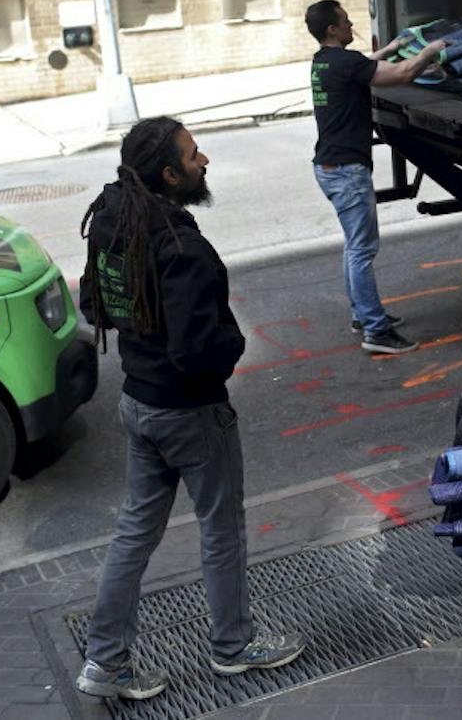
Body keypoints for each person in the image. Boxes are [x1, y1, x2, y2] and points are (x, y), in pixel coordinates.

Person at [74, 117, 303, 702]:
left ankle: (105, 661)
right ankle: (233, 647)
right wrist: (234, 346)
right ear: (169, 175)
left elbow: (93, 304)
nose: (206, 162)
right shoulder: (182, 247)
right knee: (221, 530)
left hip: (137, 403)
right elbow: (199, 351)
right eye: (194, 155)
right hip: (191, 413)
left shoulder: (111, 219)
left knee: (134, 534)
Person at [307, 0, 447, 354]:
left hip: (329, 166)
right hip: (346, 171)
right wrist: (430, 51)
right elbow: (400, 75)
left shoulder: (324, 62)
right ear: (332, 30)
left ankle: (363, 314)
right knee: (361, 250)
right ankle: (376, 331)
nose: (351, 23)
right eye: (345, 21)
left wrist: (390, 49)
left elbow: (361, 66)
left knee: (354, 247)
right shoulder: (345, 62)